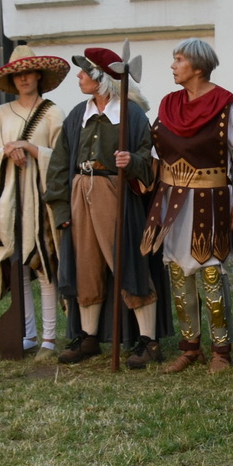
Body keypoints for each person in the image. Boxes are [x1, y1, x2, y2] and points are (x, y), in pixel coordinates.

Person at [46, 48, 163, 369]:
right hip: (79, 193)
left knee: (127, 262)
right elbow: (58, 164)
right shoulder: (77, 115)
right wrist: (61, 209)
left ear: (102, 78)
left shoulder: (131, 115)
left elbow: (150, 161)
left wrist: (131, 161)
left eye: (85, 72)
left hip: (115, 194)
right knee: (86, 264)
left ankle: (149, 341)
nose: (79, 76)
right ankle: (88, 337)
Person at [140, 38, 233, 373]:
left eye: (179, 59)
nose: (173, 66)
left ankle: (221, 351)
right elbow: (156, 157)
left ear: (198, 67)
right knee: (177, 271)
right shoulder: (169, 104)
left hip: (211, 198)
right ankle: (190, 348)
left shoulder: (226, 104)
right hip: (172, 199)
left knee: (211, 271)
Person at [0, 45, 70, 354]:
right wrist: (7, 151)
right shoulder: (0, 114)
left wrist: (31, 149)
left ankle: (49, 338)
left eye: (29, 72)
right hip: (8, 203)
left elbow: (64, 158)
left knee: (45, 266)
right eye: (18, 74)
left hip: (42, 203)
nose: (24, 78)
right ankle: (27, 334)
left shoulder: (53, 112)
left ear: (38, 75)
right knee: (18, 267)